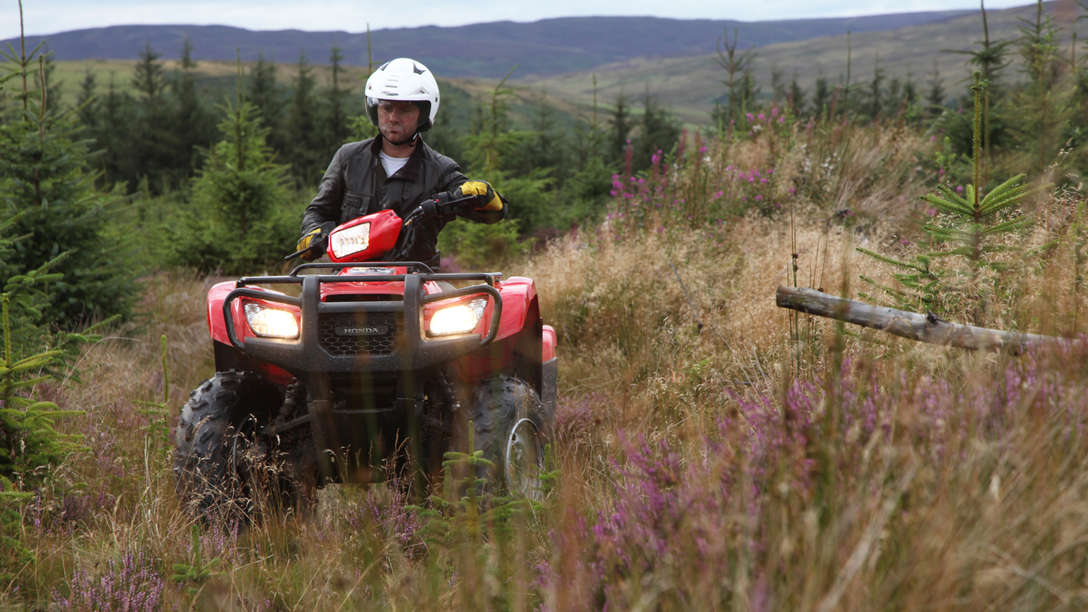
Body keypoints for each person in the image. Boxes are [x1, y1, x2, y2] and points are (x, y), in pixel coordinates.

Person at [296, 57, 506, 266]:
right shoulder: (349, 158)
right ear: (374, 109)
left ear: (423, 114)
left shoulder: (441, 169)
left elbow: (490, 213)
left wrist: (484, 197)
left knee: (465, 299)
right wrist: (313, 234)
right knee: (309, 298)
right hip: (348, 278)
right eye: (386, 108)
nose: (393, 117)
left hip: (418, 282)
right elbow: (319, 210)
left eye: (404, 109)